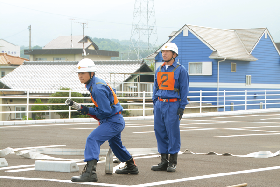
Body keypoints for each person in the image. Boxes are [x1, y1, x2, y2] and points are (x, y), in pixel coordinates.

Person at [71, 58, 139, 183]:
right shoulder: (95, 83)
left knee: (93, 139)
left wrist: (85, 109)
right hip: (115, 119)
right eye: (79, 73)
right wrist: (84, 109)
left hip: (112, 121)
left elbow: (104, 112)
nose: (80, 76)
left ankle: (90, 173)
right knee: (115, 144)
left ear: (91, 73)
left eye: (83, 73)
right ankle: (131, 165)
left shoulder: (97, 89)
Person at [152, 43, 189, 172]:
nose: (164, 54)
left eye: (167, 52)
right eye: (163, 51)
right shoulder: (159, 70)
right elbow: (155, 87)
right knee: (159, 131)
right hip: (159, 104)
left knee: (172, 132)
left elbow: (184, 90)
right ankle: (163, 161)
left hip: (173, 104)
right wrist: (154, 102)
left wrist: (182, 107)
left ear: (174, 54)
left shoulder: (181, 70)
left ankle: (173, 162)